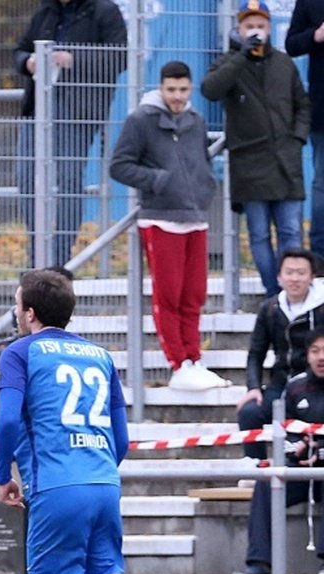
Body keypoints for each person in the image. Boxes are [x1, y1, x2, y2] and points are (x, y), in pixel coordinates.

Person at [0, 269, 168, 574]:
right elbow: (123, 437)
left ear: (29, 311)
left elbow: (8, 420)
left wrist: (1, 474)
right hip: (104, 483)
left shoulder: (19, 352)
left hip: (56, 485)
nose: (15, 310)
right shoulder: (99, 355)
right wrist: (98, 471)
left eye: (16, 302)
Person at [111, 60, 228, 390]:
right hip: (160, 218)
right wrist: (158, 181)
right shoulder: (140, 120)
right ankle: (177, 363)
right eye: (171, 90)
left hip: (195, 218)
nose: (177, 96)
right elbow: (120, 166)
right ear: (161, 88)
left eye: (183, 89)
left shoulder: (196, 119)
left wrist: (204, 188)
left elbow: (202, 161)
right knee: (169, 295)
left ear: (190, 89)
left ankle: (194, 359)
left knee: (194, 294)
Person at [201, 1, 310, 297]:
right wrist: (241, 55)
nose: (256, 31)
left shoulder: (284, 63)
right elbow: (210, 89)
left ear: (270, 29)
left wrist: (297, 139)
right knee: (260, 235)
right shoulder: (229, 63)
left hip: (286, 164)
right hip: (250, 165)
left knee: (290, 232)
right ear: (239, 30)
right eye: (249, 26)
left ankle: (293, 293)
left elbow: (302, 104)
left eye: (261, 26)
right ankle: (273, 293)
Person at [14, 0, 127, 268]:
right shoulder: (45, 12)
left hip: (79, 109)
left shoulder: (104, 11)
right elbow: (20, 49)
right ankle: (37, 252)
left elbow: (120, 56)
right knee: (26, 178)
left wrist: (74, 58)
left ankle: (59, 259)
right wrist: (27, 62)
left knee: (68, 180)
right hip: (37, 107)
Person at [234, 328, 324, 574]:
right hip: (300, 469)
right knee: (266, 482)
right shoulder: (295, 388)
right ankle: (258, 563)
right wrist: (298, 450)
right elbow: (282, 433)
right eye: (315, 351)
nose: (321, 357)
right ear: (306, 355)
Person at [237, 249, 324, 459]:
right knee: (249, 412)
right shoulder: (270, 309)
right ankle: (255, 467)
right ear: (279, 276)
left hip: (315, 385)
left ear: (312, 277)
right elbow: (256, 353)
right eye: (289, 272)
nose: (295, 279)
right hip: (281, 383)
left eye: (301, 273)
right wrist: (254, 387)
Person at [286, 0, 324, 260]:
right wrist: (316, 35)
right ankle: (320, 257)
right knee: (322, 184)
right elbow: (292, 44)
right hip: (322, 110)